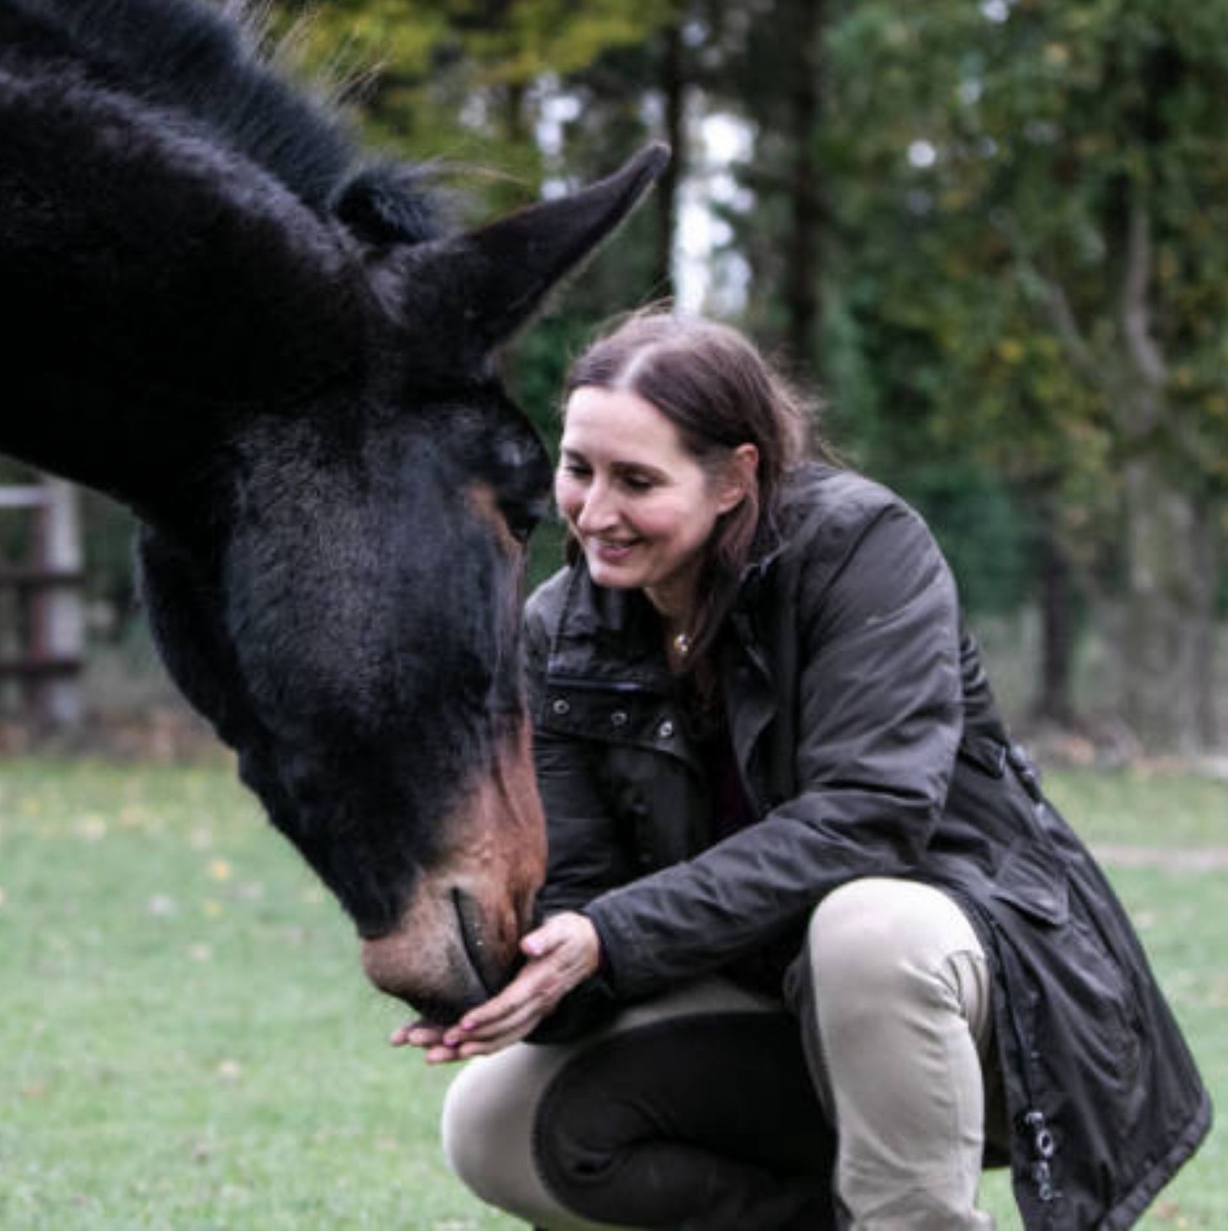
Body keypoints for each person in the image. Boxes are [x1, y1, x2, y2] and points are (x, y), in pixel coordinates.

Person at [392, 308, 1211, 1230]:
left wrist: (607, 937)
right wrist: (491, 982)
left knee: (863, 926)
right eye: (579, 469)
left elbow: (871, 818)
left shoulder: (862, 551)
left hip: (975, 1001)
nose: (596, 512)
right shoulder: (560, 627)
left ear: (736, 478)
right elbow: (588, 897)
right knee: (497, 1127)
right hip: (763, 1005)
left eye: (638, 480)